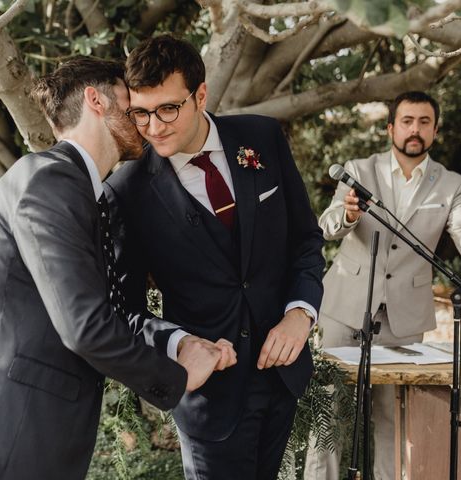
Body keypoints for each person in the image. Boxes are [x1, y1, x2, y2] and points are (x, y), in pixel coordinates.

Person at [0, 56, 235, 480]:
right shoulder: (48, 182)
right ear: (96, 99)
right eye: (133, 105)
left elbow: (112, 311)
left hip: (31, 438)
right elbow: (85, 326)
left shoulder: (84, 192)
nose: (144, 120)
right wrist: (176, 378)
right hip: (6, 438)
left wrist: (176, 343)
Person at [104, 35, 325, 480]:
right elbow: (124, 311)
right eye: (141, 113)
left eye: (168, 108)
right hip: (208, 397)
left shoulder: (262, 137)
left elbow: (305, 241)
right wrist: (179, 343)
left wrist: (300, 314)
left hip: (281, 376)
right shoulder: (125, 190)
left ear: (200, 95)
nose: (154, 126)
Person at [306, 90, 461, 479]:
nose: (415, 130)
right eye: (407, 121)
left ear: (435, 131)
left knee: (393, 421)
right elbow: (326, 226)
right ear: (391, 127)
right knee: (330, 420)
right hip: (344, 308)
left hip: (404, 320)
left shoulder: (452, 184)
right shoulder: (358, 169)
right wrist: (347, 213)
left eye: (424, 122)